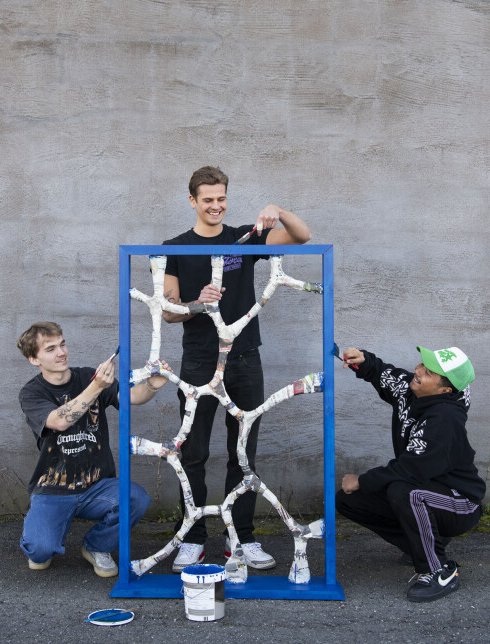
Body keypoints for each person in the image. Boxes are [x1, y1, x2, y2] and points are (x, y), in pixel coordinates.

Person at [161, 166, 312, 572]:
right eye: (207, 199)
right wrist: (198, 301)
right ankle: (191, 538)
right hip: (198, 361)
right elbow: (168, 310)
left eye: (221, 198)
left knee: (242, 452)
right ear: (192, 201)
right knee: (191, 453)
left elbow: (302, 236)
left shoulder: (243, 238)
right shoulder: (174, 246)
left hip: (244, 359)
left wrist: (275, 210)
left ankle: (239, 539)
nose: (215, 205)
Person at [16, 321, 168, 576]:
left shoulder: (86, 375)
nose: (61, 352)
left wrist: (153, 384)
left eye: (62, 344)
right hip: (53, 489)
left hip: (96, 486)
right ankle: (44, 527)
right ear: (34, 359)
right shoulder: (31, 393)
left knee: (135, 498)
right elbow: (59, 422)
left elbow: (131, 398)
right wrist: (97, 386)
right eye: (50, 349)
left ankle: (96, 546)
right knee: (40, 552)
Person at [335, 344, 484, 603]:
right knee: (348, 500)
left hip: (460, 503)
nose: (417, 371)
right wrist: (363, 360)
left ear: (445, 390)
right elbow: (386, 375)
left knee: (405, 491)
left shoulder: (445, 419)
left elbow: (410, 469)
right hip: (429, 490)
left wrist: (362, 480)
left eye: (427, 372)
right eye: (422, 364)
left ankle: (437, 570)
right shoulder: (416, 390)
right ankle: (421, 545)